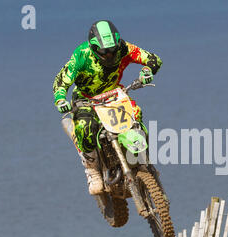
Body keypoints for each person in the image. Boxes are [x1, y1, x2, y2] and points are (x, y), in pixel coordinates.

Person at [52, 20, 162, 195]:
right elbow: (61, 80)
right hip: (86, 98)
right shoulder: (82, 55)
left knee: (137, 115)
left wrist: (147, 71)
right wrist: (60, 100)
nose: (110, 55)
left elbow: (152, 58)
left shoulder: (124, 48)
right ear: (95, 48)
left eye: (112, 50)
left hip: (114, 94)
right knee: (85, 127)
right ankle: (92, 170)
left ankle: (144, 161)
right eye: (104, 52)